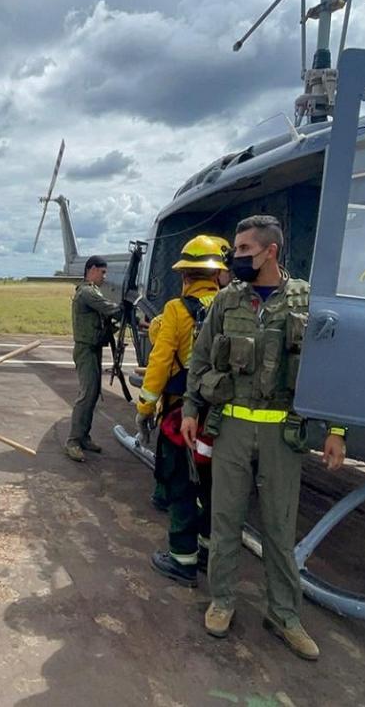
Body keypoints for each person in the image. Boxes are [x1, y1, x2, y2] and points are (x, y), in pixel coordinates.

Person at [181, 215, 346, 660]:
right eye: (236, 250)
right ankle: (222, 601)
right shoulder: (226, 301)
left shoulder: (306, 301)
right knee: (225, 520)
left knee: (278, 527)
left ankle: (284, 615)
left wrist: (336, 429)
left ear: (270, 252)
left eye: (244, 250)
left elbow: (330, 371)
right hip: (231, 426)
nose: (235, 258)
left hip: (281, 433)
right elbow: (199, 359)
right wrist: (192, 409)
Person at [134, 235, 228, 586]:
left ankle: (181, 560)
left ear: (186, 275)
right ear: (219, 274)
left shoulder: (176, 310)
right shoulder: (233, 307)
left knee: (181, 485)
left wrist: (145, 406)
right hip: (222, 419)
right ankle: (205, 553)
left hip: (183, 418)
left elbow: (158, 365)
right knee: (212, 487)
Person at [66, 255, 121, 462]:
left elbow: (103, 319)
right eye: (103, 272)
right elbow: (111, 309)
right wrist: (126, 310)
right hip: (85, 350)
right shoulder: (88, 292)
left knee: (93, 393)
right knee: (87, 394)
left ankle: (83, 436)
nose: (105, 277)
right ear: (92, 269)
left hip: (93, 348)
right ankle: (72, 440)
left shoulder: (94, 291)